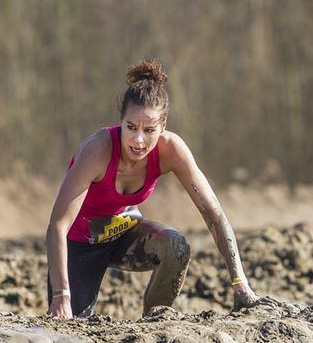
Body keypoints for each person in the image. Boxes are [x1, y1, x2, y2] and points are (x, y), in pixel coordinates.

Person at [46, 59, 262, 318]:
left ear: (163, 125)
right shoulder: (98, 150)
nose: (138, 140)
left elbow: (213, 212)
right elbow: (57, 225)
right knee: (71, 325)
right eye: (131, 127)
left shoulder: (171, 150)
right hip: (80, 246)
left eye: (149, 130)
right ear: (120, 120)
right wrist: (61, 296)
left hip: (124, 233)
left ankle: (155, 323)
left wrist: (240, 283)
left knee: (176, 246)